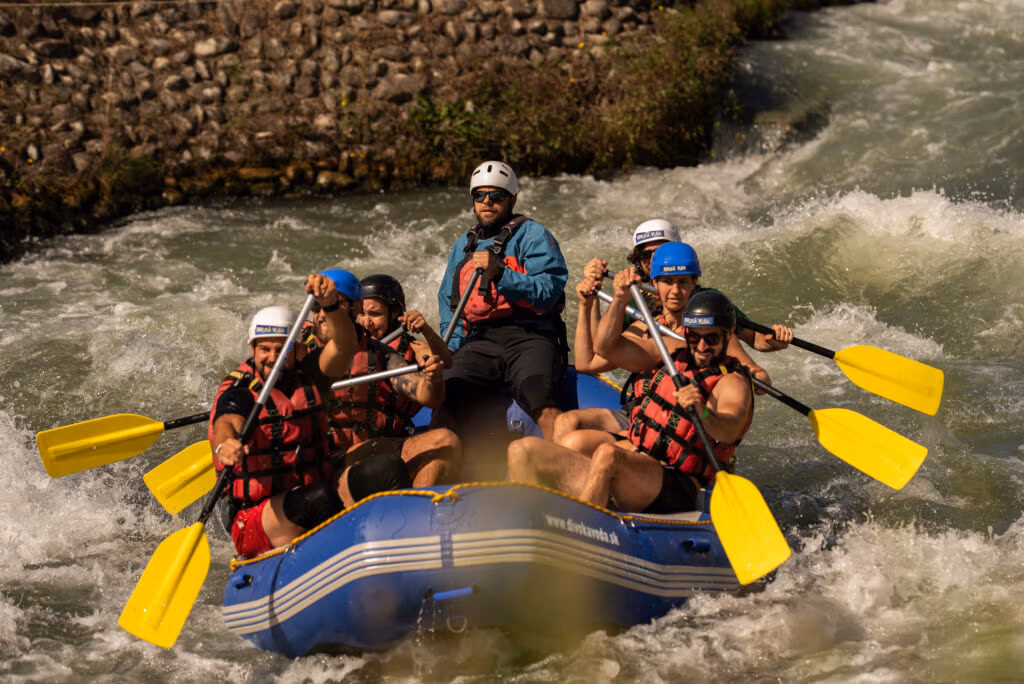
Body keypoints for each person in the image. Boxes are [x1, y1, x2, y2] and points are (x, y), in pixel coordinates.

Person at [210, 273, 410, 559]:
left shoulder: (312, 375)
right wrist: (225, 444)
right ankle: (348, 558)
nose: (272, 357)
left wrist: (330, 306)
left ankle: (402, 547)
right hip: (258, 518)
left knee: (386, 467)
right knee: (320, 497)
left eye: (281, 350)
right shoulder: (241, 390)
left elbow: (344, 346)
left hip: (316, 490)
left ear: (299, 350)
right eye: (264, 349)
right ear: (252, 350)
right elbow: (227, 420)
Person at [507, 289, 755, 513]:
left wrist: (701, 411)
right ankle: (528, 526)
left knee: (607, 455)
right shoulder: (670, 351)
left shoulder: (732, 381)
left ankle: (583, 527)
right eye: (694, 337)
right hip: (638, 458)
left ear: (728, 334)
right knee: (523, 450)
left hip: (677, 481)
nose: (701, 346)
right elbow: (605, 348)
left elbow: (729, 428)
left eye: (711, 339)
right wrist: (619, 300)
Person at [556, 236, 793, 445]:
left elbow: (761, 377)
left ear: (694, 284)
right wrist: (590, 302)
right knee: (567, 423)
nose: (675, 291)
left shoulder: (709, 335)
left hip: (679, 430)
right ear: (655, 283)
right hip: (641, 414)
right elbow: (589, 362)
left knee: (579, 443)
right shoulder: (644, 327)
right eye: (668, 281)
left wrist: (743, 378)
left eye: (683, 282)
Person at [435, 161, 569, 442]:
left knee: (540, 398)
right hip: (481, 340)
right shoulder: (463, 245)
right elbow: (451, 307)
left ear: (512, 199)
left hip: (531, 335)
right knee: (444, 397)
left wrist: (501, 274)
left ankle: (569, 467)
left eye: (496, 196)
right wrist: (448, 353)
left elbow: (549, 291)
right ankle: (441, 468)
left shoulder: (533, 235)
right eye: (479, 196)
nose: (487, 202)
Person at [305, 270, 460, 487]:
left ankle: (418, 510)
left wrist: (434, 379)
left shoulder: (383, 353)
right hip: (326, 458)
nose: (323, 314)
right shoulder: (297, 348)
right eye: (317, 306)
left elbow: (430, 393)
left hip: (377, 447)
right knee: (382, 457)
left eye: (332, 305)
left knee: (445, 441)